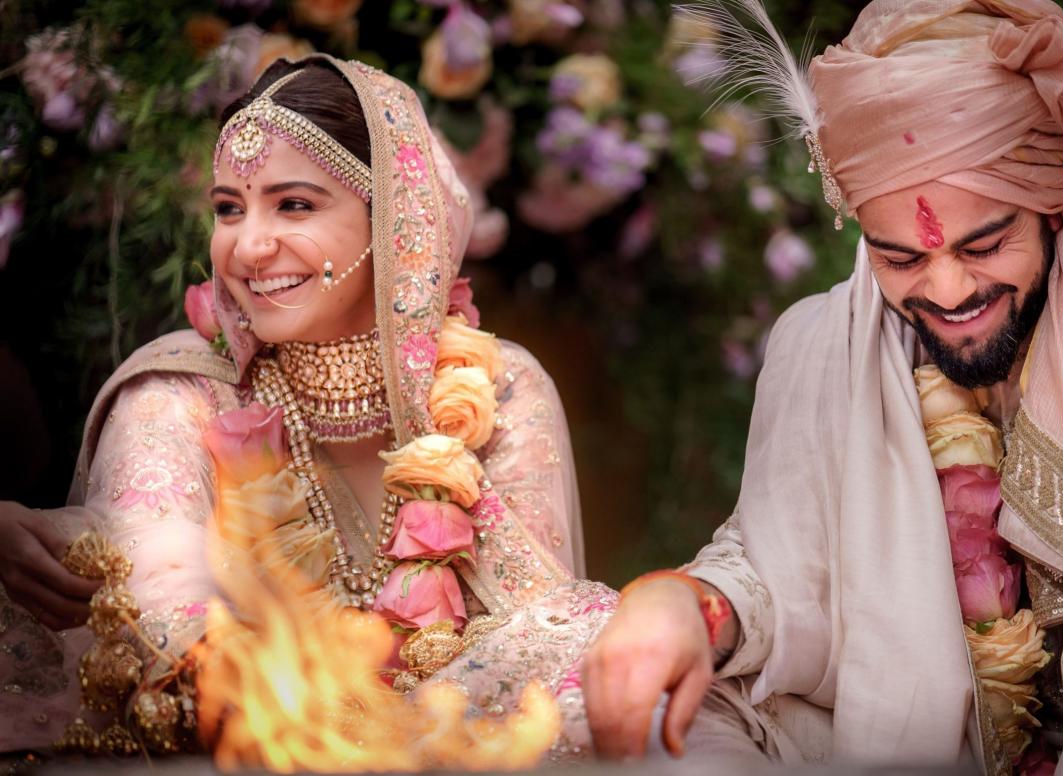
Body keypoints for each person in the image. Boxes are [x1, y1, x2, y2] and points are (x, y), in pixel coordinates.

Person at [583, 2, 1063, 774]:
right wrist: (688, 608)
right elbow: (778, 563)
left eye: (987, 243)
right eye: (901, 260)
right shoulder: (827, 341)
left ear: (1050, 204)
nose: (950, 288)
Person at [0, 54, 614, 760]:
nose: (250, 246)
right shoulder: (177, 394)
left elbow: (535, 629)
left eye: (294, 204)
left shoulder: (500, 391)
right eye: (229, 208)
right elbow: (165, 613)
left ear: (395, 221)